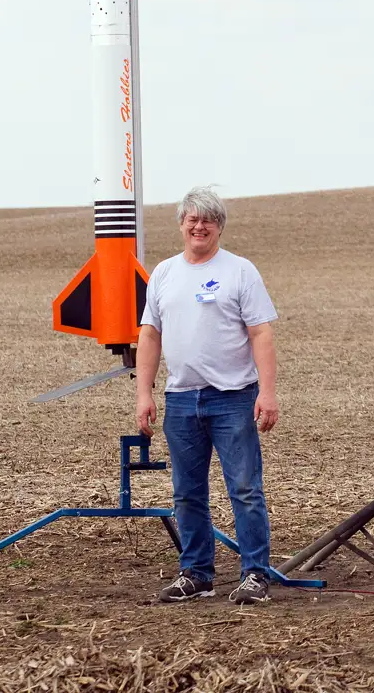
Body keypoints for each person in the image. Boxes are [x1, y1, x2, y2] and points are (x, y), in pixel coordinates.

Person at [135, 186, 279, 605]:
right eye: (192, 220)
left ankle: (255, 574)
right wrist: (144, 392)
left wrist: (266, 394)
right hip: (181, 400)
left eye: (208, 220)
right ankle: (196, 573)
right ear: (181, 224)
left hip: (232, 398)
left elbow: (261, 333)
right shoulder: (163, 273)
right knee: (186, 492)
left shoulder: (240, 271)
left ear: (219, 227)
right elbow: (150, 334)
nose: (199, 227)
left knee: (246, 488)